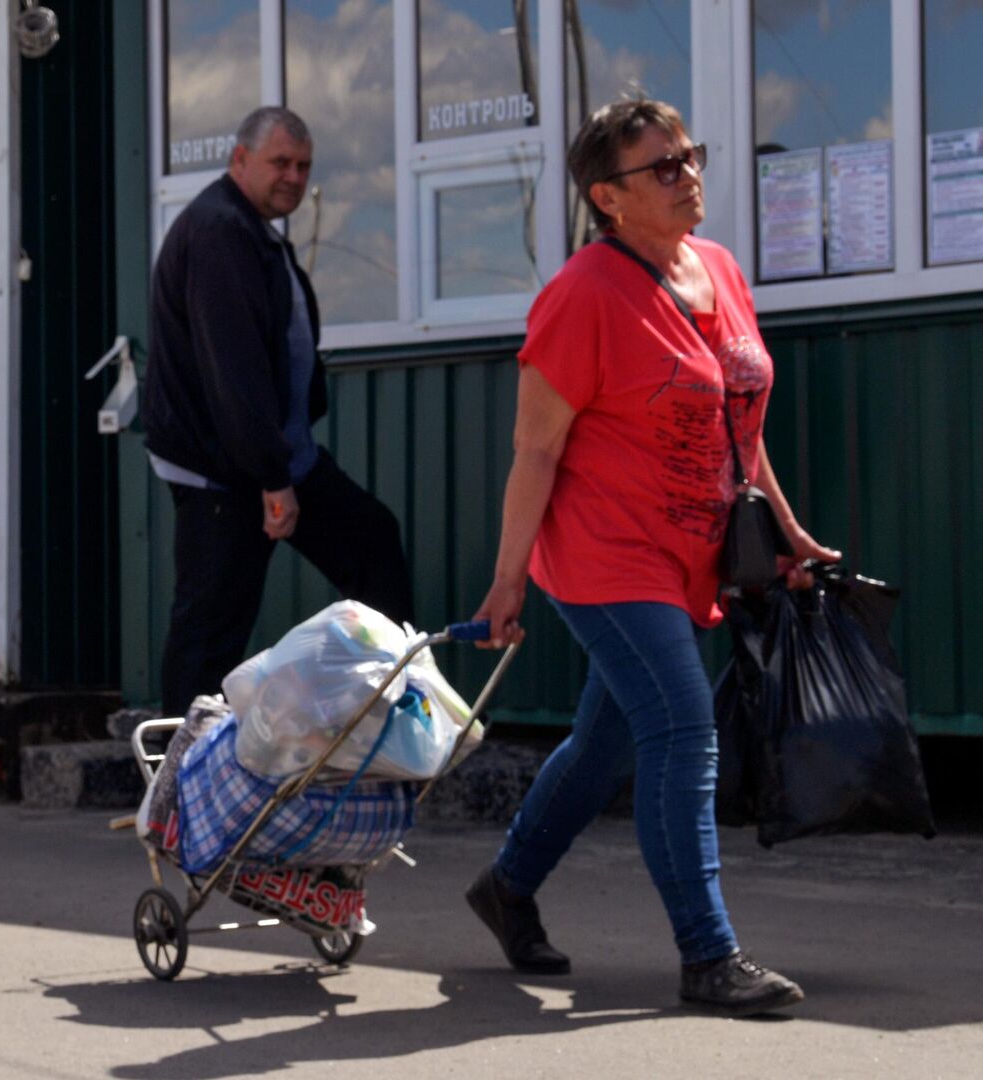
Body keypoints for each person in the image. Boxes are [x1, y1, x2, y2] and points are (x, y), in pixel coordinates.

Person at [464, 99, 838, 1016]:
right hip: (605, 557)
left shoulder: (718, 269)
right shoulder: (585, 295)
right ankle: (708, 956)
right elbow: (537, 450)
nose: (688, 175)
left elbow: (738, 430)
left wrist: (782, 535)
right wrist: (509, 581)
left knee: (607, 741)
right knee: (680, 728)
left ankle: (507, 886)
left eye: (689, 157)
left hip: (690, 555)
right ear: (607, 197)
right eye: (661, 167)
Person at [143, 106, 413, 716]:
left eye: (305, 165)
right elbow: (233, 368)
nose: (294, 176)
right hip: (227, 469)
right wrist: (272, 479)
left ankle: (382, 712)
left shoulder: (251, 230)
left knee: (372, 541)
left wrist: (277, 466)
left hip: (272, 457)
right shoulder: (220, 233)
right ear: (240, 160)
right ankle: (178, 783)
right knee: (210, 625)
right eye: (280, 162)